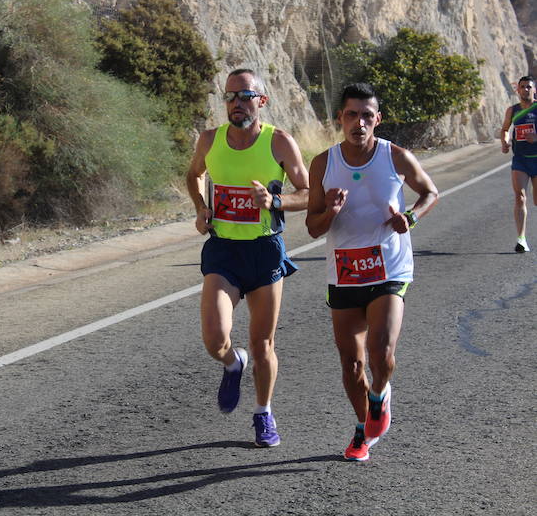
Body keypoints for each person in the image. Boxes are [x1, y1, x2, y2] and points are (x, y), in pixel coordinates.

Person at [305, 82, 438, 462]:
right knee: (351, 363)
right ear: (340, 119)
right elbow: (314, 227)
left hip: (389, 268)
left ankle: (379, 395)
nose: (359, 123)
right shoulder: (323, 164)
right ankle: (364, 427)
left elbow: (429, 192)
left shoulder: (395, 156)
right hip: (344, 272)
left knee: (381, 351)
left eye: (367, 115)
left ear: (377, 120)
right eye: (351, 114)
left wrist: (409, 217)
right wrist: (330, 210)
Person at [185, 68, 309, 447]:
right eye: (230, 97)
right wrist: (200, 208)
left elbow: (307, 193)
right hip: (223, 249)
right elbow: (193, 176)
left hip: (264, 251)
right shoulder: (210, 140)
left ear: (261, 101)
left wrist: (275, 201)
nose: (236, 104)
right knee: (214, 338)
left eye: (244, 96)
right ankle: (230, 362)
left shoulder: (280, 142)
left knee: (263, 345)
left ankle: (263, 413)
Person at [499, 75, 537, 253]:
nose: (526, 90)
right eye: (523, 87)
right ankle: (521, 239)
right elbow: (505, 129)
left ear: (534, 89)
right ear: (518, 90)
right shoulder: (512, 110)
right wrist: (505, 142)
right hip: (520, 159)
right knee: (519, 197)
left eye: (529, 87)